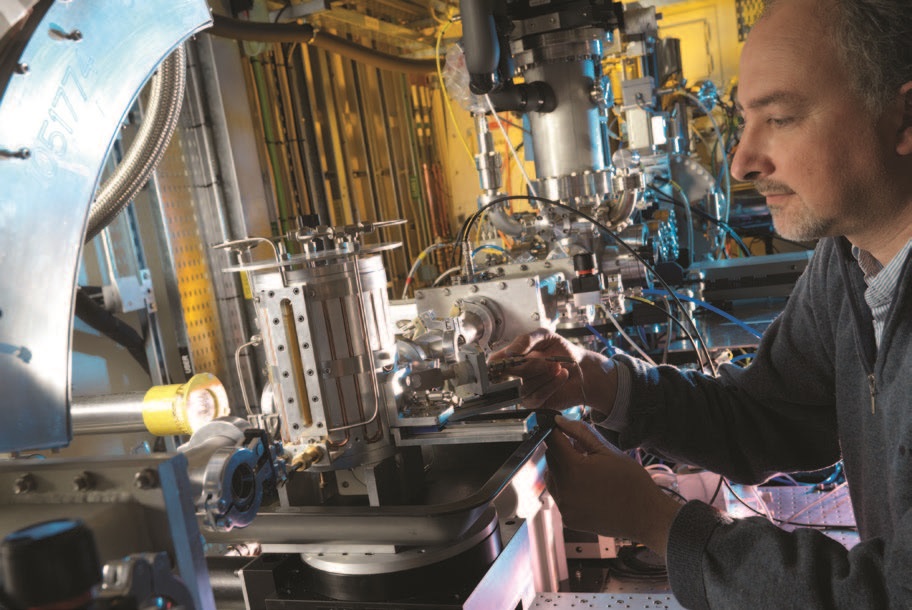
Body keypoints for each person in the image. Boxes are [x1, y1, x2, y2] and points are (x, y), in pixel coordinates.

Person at [491, 0, 912, 607]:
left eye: (783, 118)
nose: (742, 162)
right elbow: (773, 414)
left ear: (905, 119)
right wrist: (604, 382)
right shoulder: (847, 260)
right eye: (746, 120)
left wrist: (660, 523)